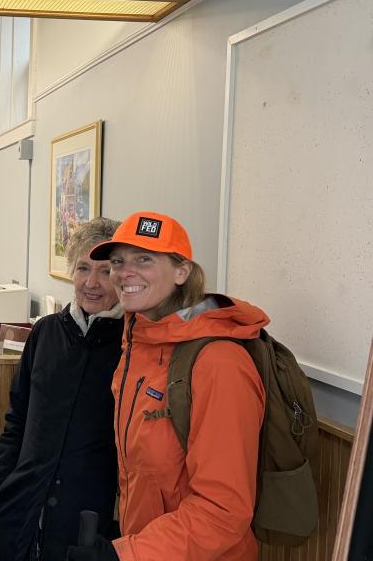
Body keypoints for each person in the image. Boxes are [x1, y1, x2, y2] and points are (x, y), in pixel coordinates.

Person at [69, 211, 266, 561]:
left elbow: (223, 512)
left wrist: (126, 554)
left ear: (182, 271)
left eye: (144, 259)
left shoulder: (218, 363)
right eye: (118, 261)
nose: (124, 272)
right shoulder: (139, 346)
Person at [0, 217, 124, 561]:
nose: (91, 282)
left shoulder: (133, 344)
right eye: (82, 268)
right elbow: (17, 417)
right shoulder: (46, 333)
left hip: (88, 522)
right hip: (21, 511)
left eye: (105, 271)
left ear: (123, 277)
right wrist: (0, 490)